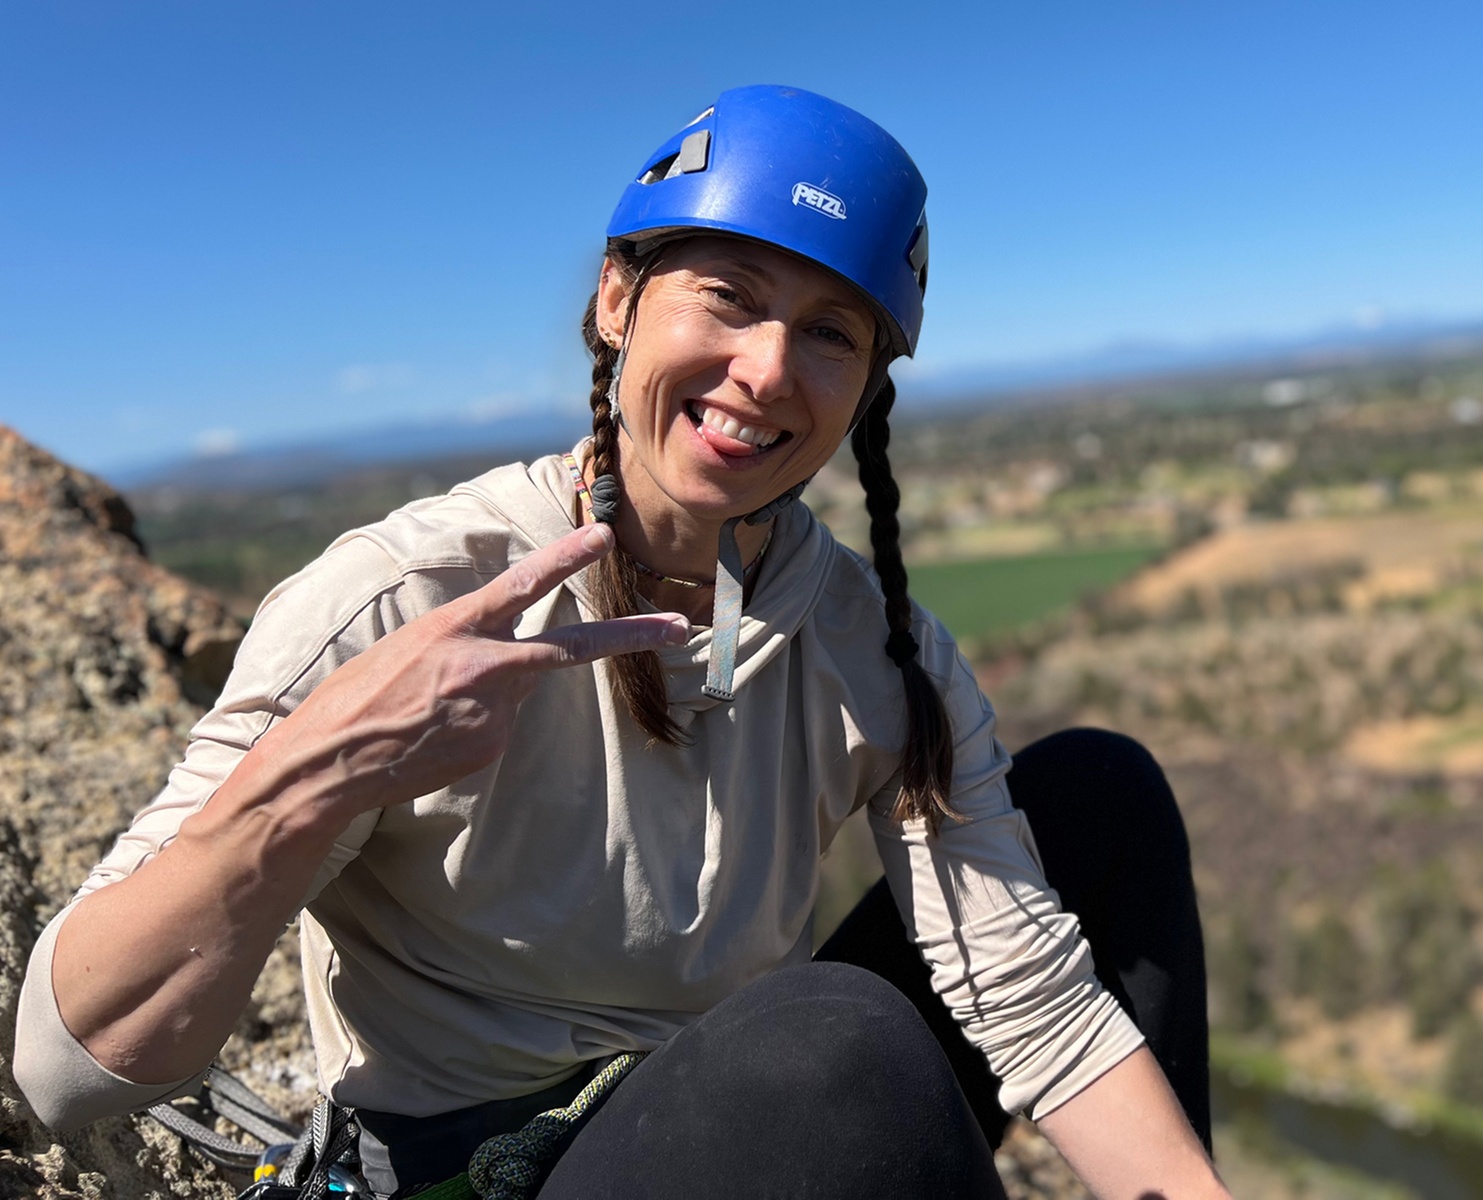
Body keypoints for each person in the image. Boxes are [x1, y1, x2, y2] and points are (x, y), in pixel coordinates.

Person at [12, 85, 1225, 1199]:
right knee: (829, 1050)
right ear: (616, 301)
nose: (767, 371)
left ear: (867, 388)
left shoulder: (874, 648)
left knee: (1095, 802)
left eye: (830, 334)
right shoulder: (407, 595)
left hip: (743, 1114)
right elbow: (71, 1072)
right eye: (730, 297)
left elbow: (1037, 1002)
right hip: (470, 1163)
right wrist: (319, 774)